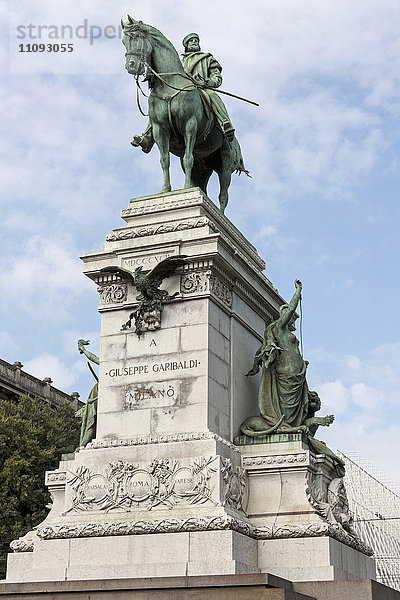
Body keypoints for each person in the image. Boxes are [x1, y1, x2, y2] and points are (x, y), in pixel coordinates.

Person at [131, 32, 235, 152]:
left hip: (201, 88)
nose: (194, 42)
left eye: (196, 40)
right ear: (186, 45)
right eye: (191, 41)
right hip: (182, 90)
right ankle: (148, 136)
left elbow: (216, 76)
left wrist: (209, 82)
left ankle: (225, 123)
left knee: (212, 95)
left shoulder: (207, 58)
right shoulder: (180, 62)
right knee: (158, 105)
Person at [75, 339, 99, 448]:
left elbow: (94, 359)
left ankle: (83, 445)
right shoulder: (96, 390)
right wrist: (84, 350)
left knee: (91, 424)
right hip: (97, 393)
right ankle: (82, 445)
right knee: (90, 424)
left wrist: (84, 350)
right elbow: (94, 358)